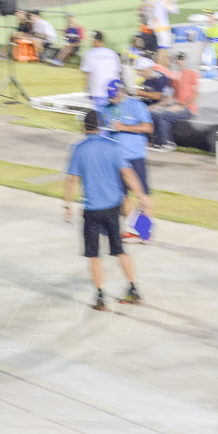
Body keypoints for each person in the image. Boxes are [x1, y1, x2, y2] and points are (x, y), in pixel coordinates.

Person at [63, 109, 151, 310]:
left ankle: (101, 297)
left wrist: (68, 204)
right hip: (113, 207)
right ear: (102, 126)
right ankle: (133, 290)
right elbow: (128, 175)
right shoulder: (114, 147)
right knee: (120, 251)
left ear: (84, 127)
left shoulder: (78, 148)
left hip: (92, 210)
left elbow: (72, 180)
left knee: (94, 255)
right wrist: (142, 197)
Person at [103, 79, 154, 239]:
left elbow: (148, 127)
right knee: (121, 197)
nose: (112, 99)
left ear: (122, 92)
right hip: (116, 159)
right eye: (109, 96)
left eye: (114, 96)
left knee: (141, 195)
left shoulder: (136, 106)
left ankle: (146, 233)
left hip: (135, 157)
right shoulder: (107, 108)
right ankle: (135, 230)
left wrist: (124, 127)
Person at [149, 52, 198, 152]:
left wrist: (181, 106)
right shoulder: (175, 76)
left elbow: (195, 94)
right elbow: (171, 97)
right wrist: (158, 105)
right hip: (177, 105)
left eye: (182, 59)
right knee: (154, 112)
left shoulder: (191, 73)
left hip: (188, 109)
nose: (180, 61)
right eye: (178, 59)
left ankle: (167, 143)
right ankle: (157, 142)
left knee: (162, 115)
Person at [80, 31, 121, 111]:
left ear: (95, 40)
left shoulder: (89, 54)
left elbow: (86, 75)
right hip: (113, 92)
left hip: (98, 93)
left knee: (100, 119)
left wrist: (88, 90)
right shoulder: (113, 54)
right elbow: (118, 73)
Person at [142, 0, 179, 66]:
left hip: (153, 26)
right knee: (164, 49)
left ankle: (161, 68)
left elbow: (145, 10)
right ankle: (163, 70)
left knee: (161, 49)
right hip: (162, 27)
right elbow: (174, 9)